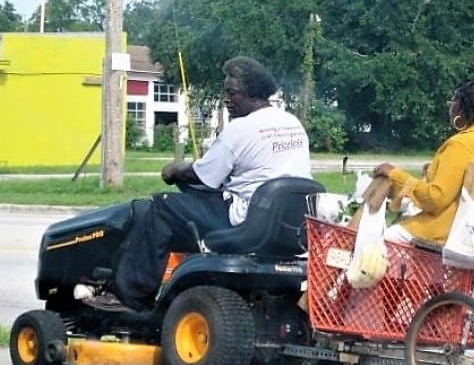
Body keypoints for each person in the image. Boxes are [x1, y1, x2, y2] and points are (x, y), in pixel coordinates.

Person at [88, 56, 312, 311]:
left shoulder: (241, 129)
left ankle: (129, 295)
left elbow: (202, 175)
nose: (227, 99)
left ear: (253, 93)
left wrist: (173, 171)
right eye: (226, 93)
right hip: (286, 225)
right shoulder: (291, 122)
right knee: (194, 207)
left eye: (232, 93)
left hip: (245, 219)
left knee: (162, 207)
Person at [373, 78, 474, 257]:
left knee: (387, 238)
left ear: (462, 108)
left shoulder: (461, 144)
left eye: (452, 102)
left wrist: (395, 175)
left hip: (465, 236)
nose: (450, 108)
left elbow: (435, 199)